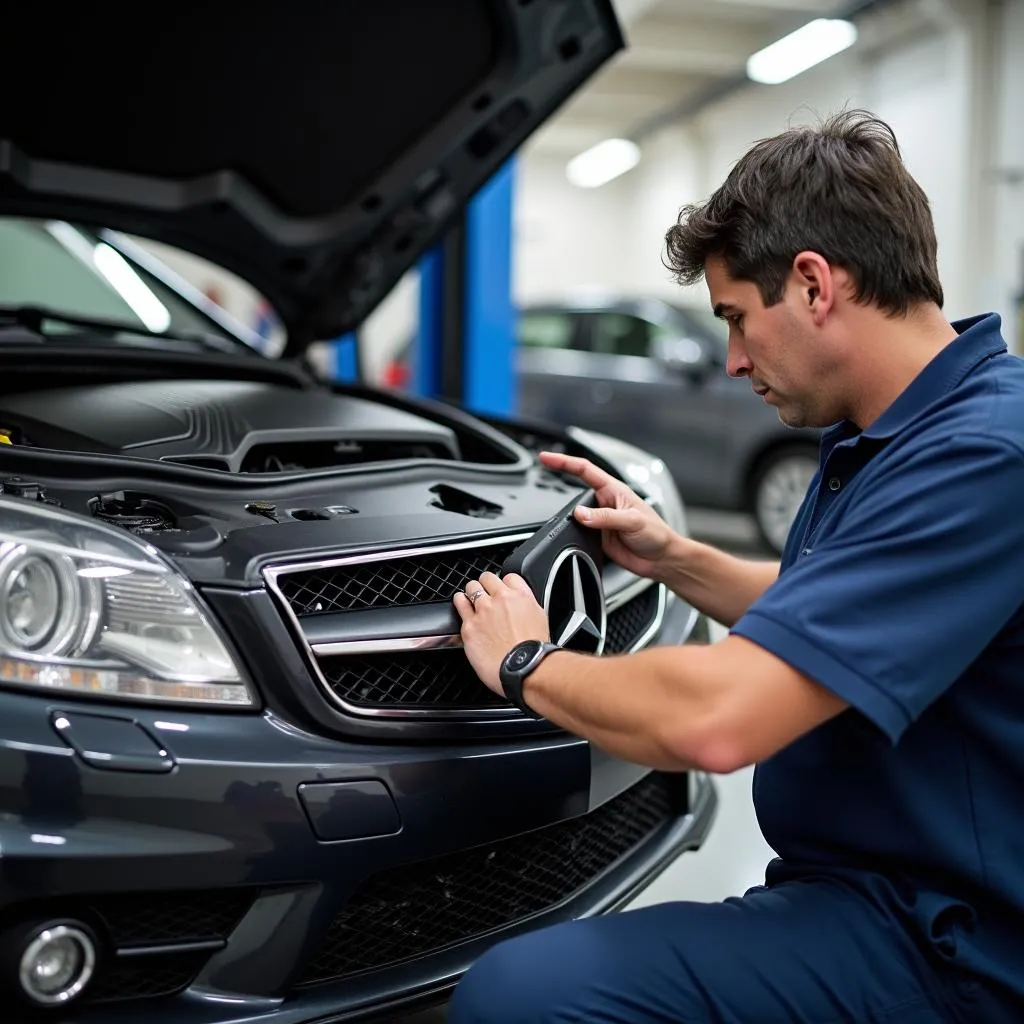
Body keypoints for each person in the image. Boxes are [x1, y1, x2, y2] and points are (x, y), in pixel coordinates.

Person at [447, 109, 1024, 1022]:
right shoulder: (895, 430)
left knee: (522, 995)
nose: (732, 361)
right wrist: (674, 558)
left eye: (737, 321)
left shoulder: (987, 455)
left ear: (813, 284)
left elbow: (719, 721)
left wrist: (530, 665)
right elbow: (831, 609)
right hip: (873, 890)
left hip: (948, 948)